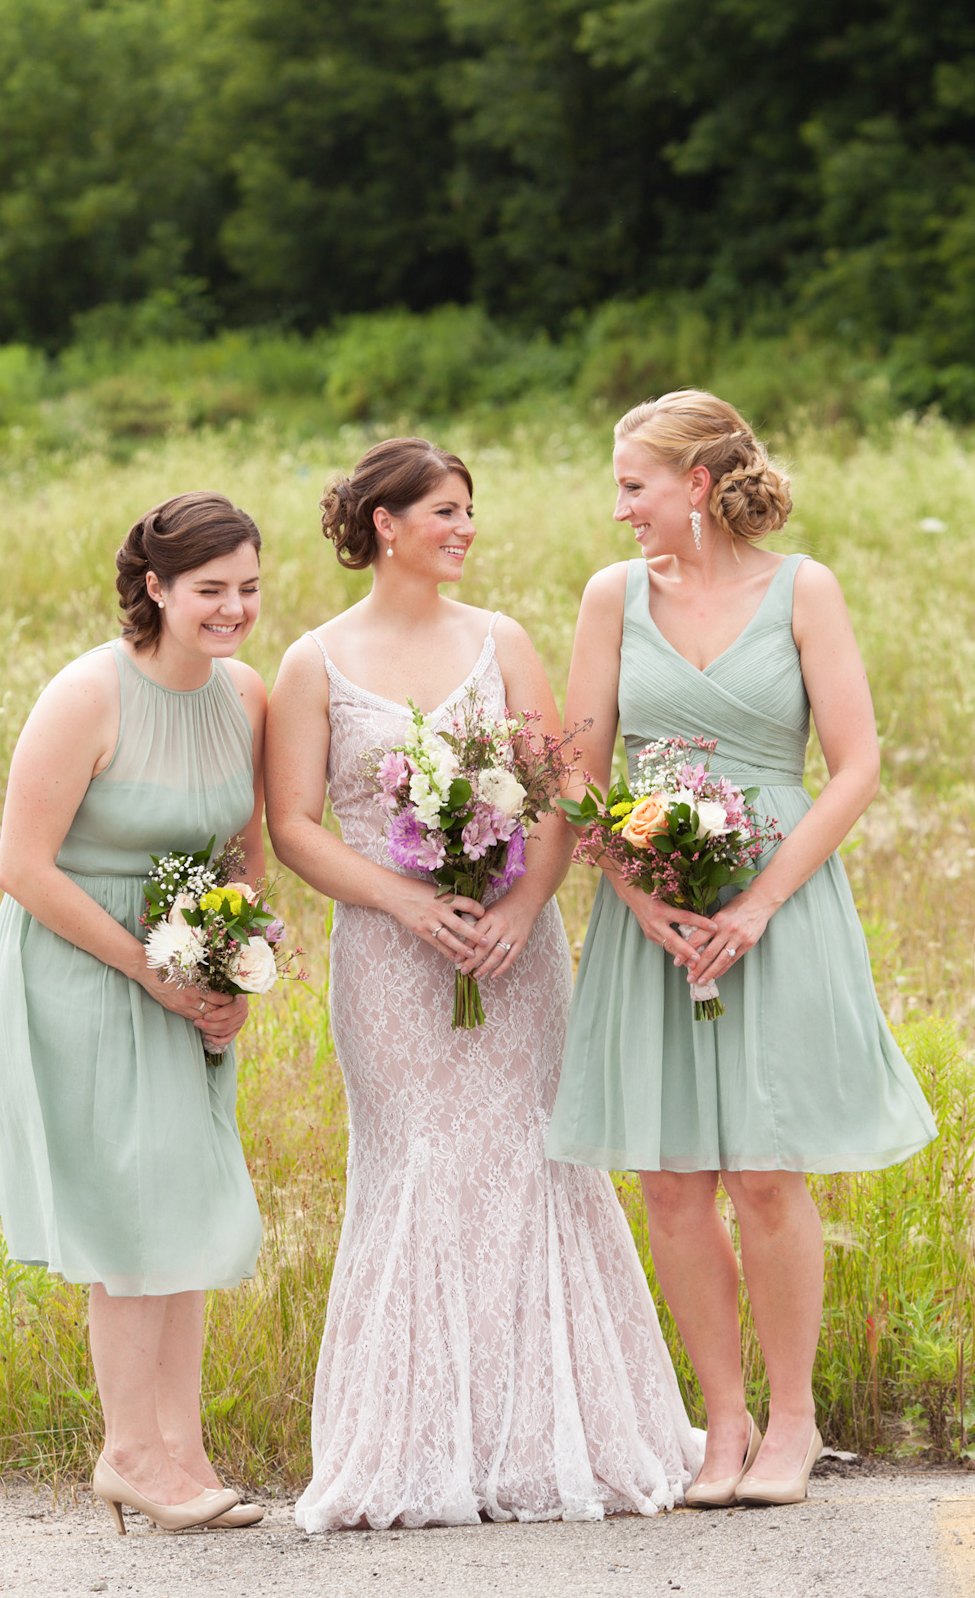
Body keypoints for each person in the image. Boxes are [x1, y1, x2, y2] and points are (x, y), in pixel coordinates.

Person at [265, 436, 702, 1533]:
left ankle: (557, 1436)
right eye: (445, 511)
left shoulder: (500, 640)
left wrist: (517, 910)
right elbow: (292, 827)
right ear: (385, 526)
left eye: (469, 511)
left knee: (529, 1159)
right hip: (386, 961)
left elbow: (557, 797)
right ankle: (415, 1452)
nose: (464, 529)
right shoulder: (313, 662)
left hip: (514, 957)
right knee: (415, 1162)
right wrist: (405, 904)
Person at [547, 391, 936, 1508]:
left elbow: (854, 765)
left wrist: (760, 904)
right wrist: (636, 890)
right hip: (652, 915)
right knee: (673, 1180)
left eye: (633, 485)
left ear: (697, 485)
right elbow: (579, 769)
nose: (620, 507)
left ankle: (795, 1425)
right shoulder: (610, 598)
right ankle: (723, 1424)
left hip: (780, 903)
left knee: (767, 1172)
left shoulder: (803, 589)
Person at [0, 491, 270, 1533]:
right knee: (130, 1214)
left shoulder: (245, 696)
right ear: (155, 589)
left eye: (247, 586)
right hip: (83, 967)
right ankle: (128, 1453)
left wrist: (233, 977)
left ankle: (180, 1454)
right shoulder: (86, 694)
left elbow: (243, 856)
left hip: (189, 968)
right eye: (210, 590)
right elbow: (22, 866)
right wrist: (150, 970)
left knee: (188, 1209)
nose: (234, 608)